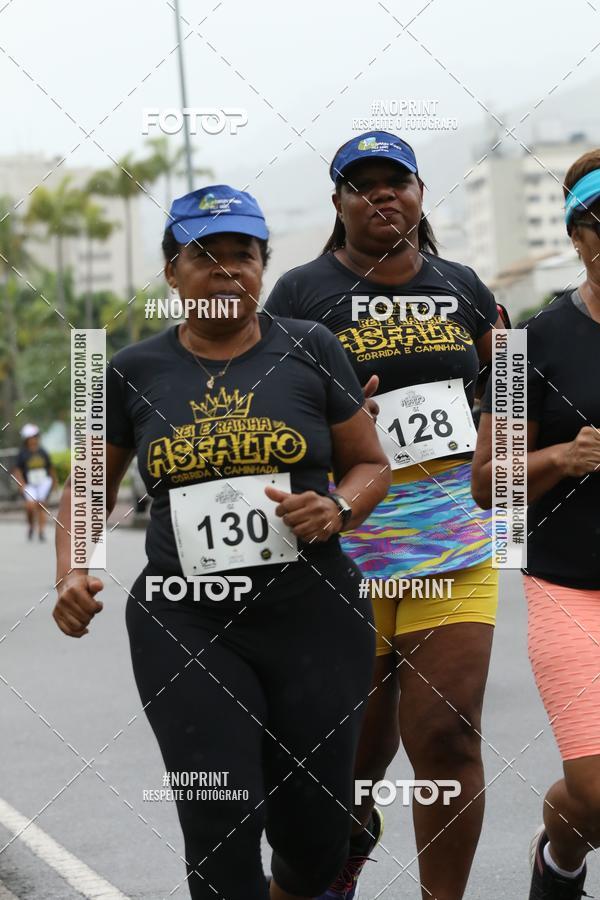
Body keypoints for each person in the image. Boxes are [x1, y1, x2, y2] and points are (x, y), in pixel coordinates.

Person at [52, 184, 391, 900]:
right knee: (221, 815)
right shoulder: (130, 371)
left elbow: (371, 464)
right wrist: (75, 569)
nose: (227, 270)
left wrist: (335, 506)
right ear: (172, 272)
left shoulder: (310, 347)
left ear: (264, 267)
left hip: (314, 612)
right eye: (206, 255)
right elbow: (87, 485)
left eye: (244, 254)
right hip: (188, 614)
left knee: (316, 834)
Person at [264, 131, 503, 900]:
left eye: (394, 182)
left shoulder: (464, 286)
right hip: (346, 553)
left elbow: (512, 389)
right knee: (349, 767)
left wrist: (504, 439)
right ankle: (335, 865)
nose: (381, 197)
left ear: (420, 192)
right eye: (361, 187)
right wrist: (332, 421)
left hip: (452, 543)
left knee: (449, 735)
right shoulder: (301, 294)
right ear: (338, 204)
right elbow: (265, 408)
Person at [472, 149, 600, 900]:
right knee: (595, 798)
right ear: (576, 236)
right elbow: (488, 484)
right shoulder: (531, 344)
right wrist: (561, 456)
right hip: (570, 588)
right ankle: (562, 846)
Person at [12, 423, 56, 541]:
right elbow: (17, 470)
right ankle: (31, 525)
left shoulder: (43, 452)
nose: (33, 440)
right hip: (29, 484)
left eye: (35, 437)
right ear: (26, 439)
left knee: (41, 505)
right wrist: (21, 484)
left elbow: (50, 468)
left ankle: (41, 531)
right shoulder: (23, 453)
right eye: (31, 437)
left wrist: (54, 482)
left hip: (42, 483)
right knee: (30, 506)